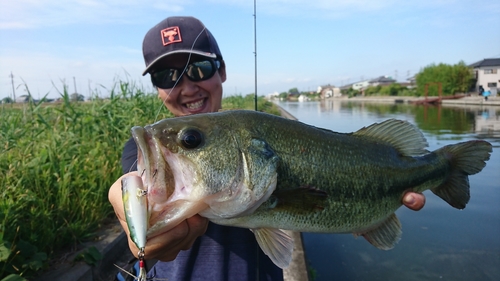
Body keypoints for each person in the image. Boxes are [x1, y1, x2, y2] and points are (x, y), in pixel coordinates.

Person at [108, 16, 426, 281]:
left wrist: (366, 213)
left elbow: (315, 203)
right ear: (157, 89)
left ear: (222, 71)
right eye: (167, 76)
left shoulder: (263, 137)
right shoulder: (140, 152)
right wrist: (132, 210)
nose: (188, 87)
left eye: (199, 69)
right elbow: (131, 186)